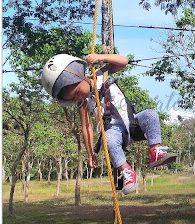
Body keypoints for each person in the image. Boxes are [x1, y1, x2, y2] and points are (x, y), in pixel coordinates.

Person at [41, 53, 177, 195]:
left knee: (151, 115)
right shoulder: (84, 103)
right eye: (73, 98)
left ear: (81, 76)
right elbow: (87, 127)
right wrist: (90, 153)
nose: (78, 98)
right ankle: (127, 172)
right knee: (109, 139)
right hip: (114, 131)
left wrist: (100, 57)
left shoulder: (102, 75)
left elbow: (124, 62)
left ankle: (155, 151)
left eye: (77, 92)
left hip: (132, 122)